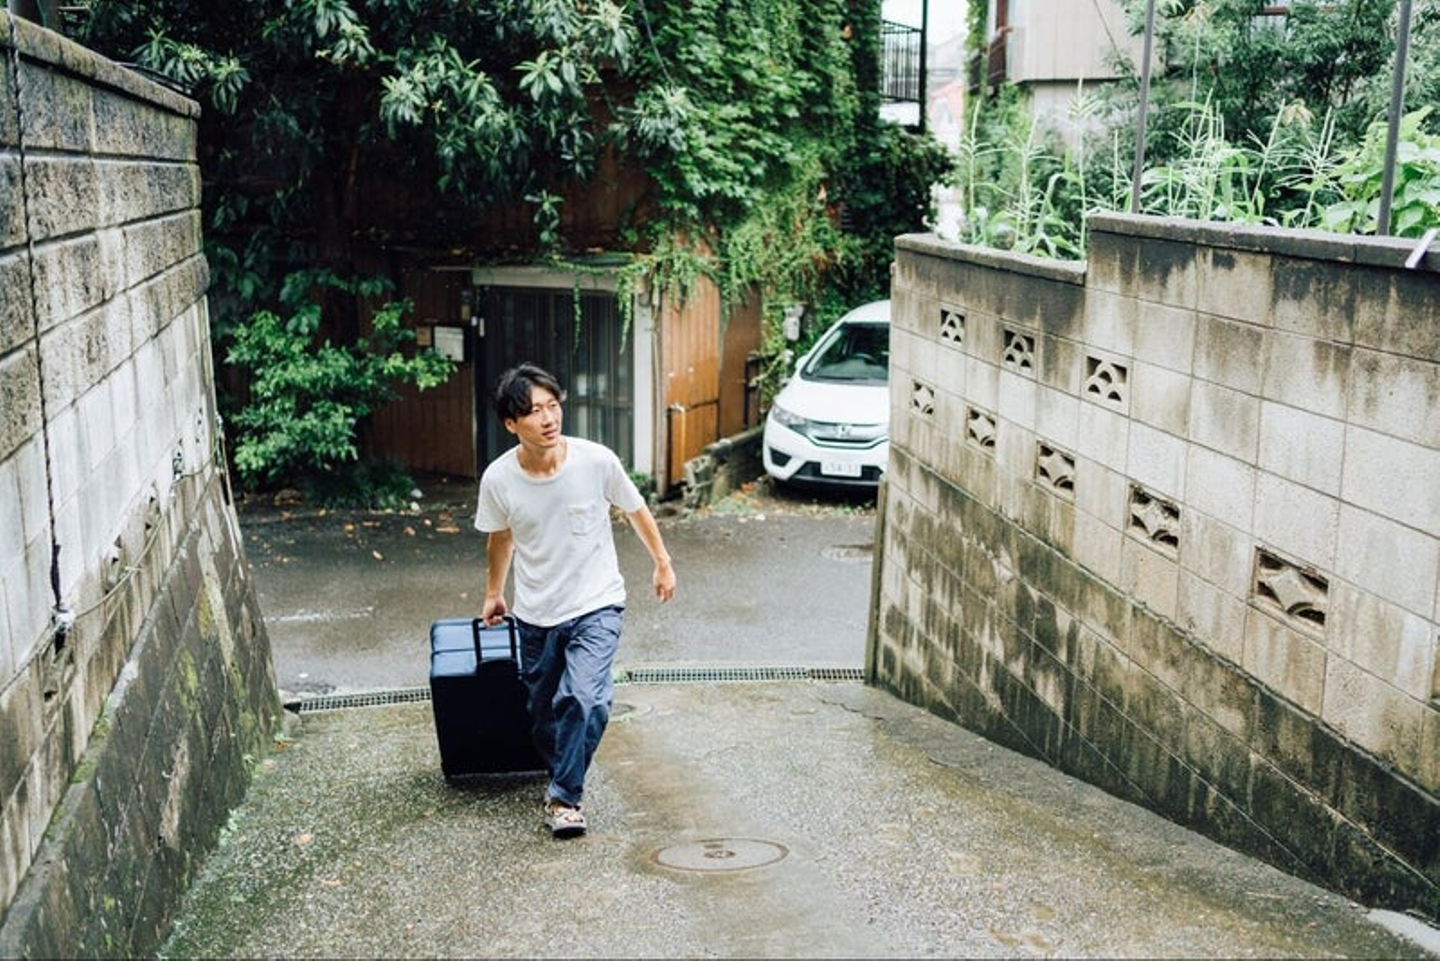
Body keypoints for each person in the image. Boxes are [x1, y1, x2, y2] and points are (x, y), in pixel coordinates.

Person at [475, 362, 677, 838]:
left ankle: (565, 799)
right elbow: (500, 539)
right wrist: (494, 593)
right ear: (511, 423)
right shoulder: (499, 479)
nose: (548, 418)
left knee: (584, 699)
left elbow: (635, 508)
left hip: (597, 602)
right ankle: (563, 771)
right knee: (543, 713)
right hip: (536, 613)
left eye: (553, 406)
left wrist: (662, 561)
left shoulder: (595, 461)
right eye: (534, 411)